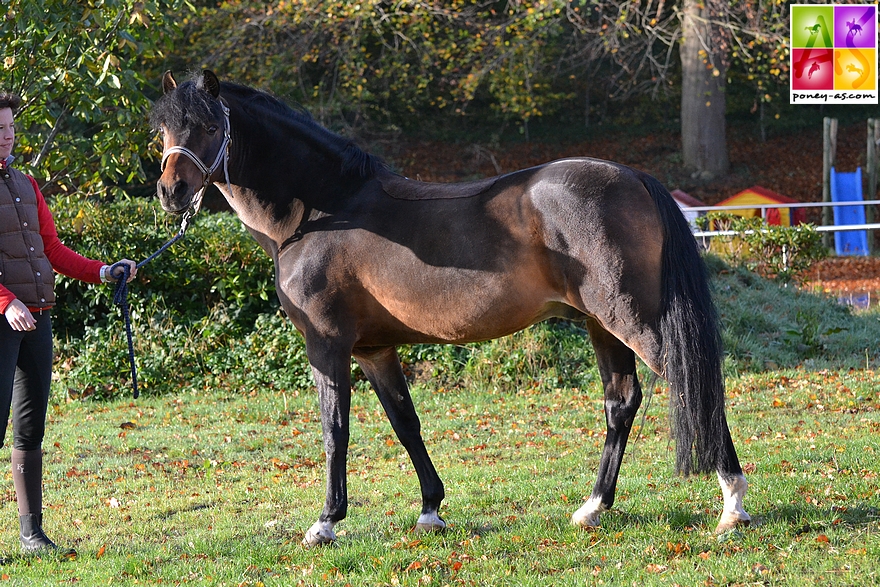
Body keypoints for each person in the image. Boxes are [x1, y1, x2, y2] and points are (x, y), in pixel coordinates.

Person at [0, 92, 137, 554]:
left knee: (29, 428)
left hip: (37, 320)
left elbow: (52, 250)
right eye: (0, 130)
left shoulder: (27, 184)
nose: (7, 137)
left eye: (11, 129)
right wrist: (4, 302)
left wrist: (102, 271)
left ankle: (31, 533)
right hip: (3, 320)